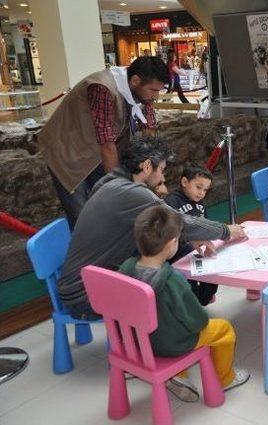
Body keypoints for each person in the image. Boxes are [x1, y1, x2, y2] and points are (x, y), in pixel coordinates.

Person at [57, 136, 246, 321]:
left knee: (176, 254)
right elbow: (177, 220)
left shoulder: (111, 182)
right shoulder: (130, 192)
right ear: (147, 166)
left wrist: (188, 236)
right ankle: (182, 331)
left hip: (81, 286)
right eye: (161, 170)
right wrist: (226, 230)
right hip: (85, 297)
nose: (162, 177)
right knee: (169, 286)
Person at [119, 205, 250, 402]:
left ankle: (179, 376)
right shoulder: (172, 280)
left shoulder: (126, 267)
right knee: (223, 328)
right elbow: (198, 321)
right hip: (171, 345)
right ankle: (225, 379)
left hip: (136, 342)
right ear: (173, 243)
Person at [38, 56, 170, 228]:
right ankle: (85, 250)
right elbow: (106, 143)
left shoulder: (140, 90)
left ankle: (108, 247)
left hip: (95, 152)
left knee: (106, 206)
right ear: (136, 80)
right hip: (67, 150)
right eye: (153, 90)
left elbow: (149, 131)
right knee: (82, 214)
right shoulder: (103, 88)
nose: (156, 96)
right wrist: (120, 186)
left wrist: (154, 176)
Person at [165, 164, 219, 305]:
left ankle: (203, 298)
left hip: (196, 252)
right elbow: (170, 233)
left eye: (205, 190)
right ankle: (194, 301)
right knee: (191, 285)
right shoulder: (171, 201)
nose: (202, 193)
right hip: (178, 253)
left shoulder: (201, 203)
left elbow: (204, 227)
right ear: (184, 182)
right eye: (198, 187)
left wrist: (209, 243)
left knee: (214, 266)